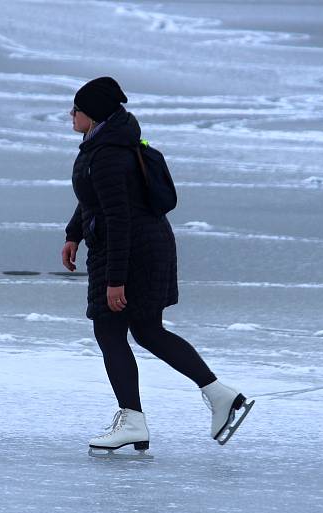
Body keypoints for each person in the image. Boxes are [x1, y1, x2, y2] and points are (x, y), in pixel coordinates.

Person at [61, 76, 254, 455]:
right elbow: (94, 200)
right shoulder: (109, 143)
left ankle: (132, 421)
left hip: (131, 252)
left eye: (77, 109)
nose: (71, 115)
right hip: (146, 247)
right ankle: (220, 396)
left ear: (93, 115)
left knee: (110, 330)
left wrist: (115, 281)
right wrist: (74, 234)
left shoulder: (108, 154)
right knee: (147, 330)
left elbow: (118, 217)